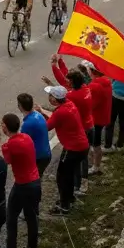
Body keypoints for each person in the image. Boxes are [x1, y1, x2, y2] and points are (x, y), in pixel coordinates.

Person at [0, 113, 40, 248]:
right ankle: (32, 247)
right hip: (35, 181)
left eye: (2, 124)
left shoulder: (10, 145)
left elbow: (2, 160)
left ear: (5, 127)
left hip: (22, 185)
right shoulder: (26, 137)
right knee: (31, 215)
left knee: (11, 216)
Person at [38, 86, 89, 216]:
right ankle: (69, 198)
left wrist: (39, 114)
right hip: (81, 145)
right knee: (68, 174)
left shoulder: (61, 112)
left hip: (72, 148)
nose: (49, 98)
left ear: (55, 99)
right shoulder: (69, 104)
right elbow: (53, 118)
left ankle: (64, 206)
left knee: (62, 177)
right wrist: (43, 112)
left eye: (50, 96)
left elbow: (47, 126)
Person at [16, 93, 52, 178]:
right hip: (45, 154)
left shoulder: (28, 124)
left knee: (33, 180)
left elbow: (21, 143)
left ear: (20, 107)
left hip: (38, 158)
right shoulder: (38, 115)